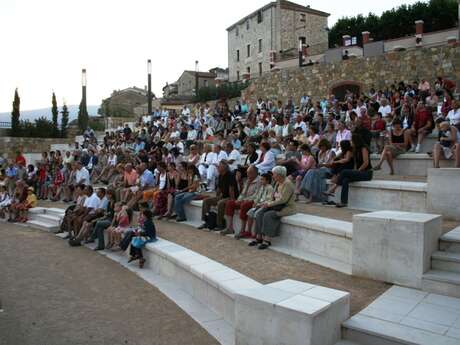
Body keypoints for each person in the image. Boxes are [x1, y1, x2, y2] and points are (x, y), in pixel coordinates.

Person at [249, 166, 295, 250]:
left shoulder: (287, 184)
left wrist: (269, 204)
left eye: (274, 174)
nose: (273, 176)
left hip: (286, 207)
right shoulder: (277, 182)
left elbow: (283, 200)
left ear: (280, 175)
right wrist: (265, 203)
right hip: (275, 205)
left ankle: (267, 240)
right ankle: (259, 237)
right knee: (259, 213)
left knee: (268, 215)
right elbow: (273, 197)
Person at [334, 132, 373, 208]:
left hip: (367, 173)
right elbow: (355, 164)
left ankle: (334, 188)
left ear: (356, 141)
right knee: (345, 180)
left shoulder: (363, 148)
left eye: (351, 140)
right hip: (360, 172)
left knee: (344, 171)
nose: (350, 142)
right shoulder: (355, 150)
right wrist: (354, 171)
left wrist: (357, 171)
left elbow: (366, 163)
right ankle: (344, 202)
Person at [198, 161, 238, 230]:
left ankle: (220, 224)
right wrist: (216, 197)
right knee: (206, 201)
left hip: (230, 197)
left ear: (224, 168)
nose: (218, 167)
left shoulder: (230, 175)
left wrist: (232, 200)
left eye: (219, 166)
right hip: (223, 196)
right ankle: (206, 221)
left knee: (220, 203)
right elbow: (219, 188)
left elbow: (231, 189)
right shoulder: (220, 175)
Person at [221, 165, 259, 236]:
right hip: (244, 200)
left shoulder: (259, 181)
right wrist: (239, 200)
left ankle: (243, 230)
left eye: (250, 173)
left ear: (255, 173)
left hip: (253, 201)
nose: (248, 174)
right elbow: (243, 193)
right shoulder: (248, 180)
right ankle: (230, 227)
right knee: (230, 203)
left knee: (244, 205)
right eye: (247, 173)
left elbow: (257, 195)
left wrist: (245, 200)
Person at [236, 173, 274, 239]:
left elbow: (268, 199)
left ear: (267, 181)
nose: (261, 181)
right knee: (250, 213)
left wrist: (259, 204)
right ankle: (249, 231)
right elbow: (258, 197)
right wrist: (255, 203)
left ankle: (256, 233)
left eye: (262, 179)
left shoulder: (270, 188)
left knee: (257, 214)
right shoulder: (262, 187)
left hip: (265, 206)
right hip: (258, 205)